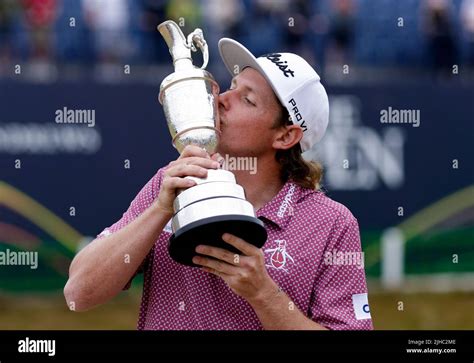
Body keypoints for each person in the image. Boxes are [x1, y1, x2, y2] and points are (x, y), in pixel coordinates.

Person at [64, 37, 373, 330]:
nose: (222, 100)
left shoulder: (332, 223)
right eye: (231, 87)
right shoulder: (173, 182)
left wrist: (263, 293)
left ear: (285, 136)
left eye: (247, 99)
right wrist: (160, 210)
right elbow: (78, 294)